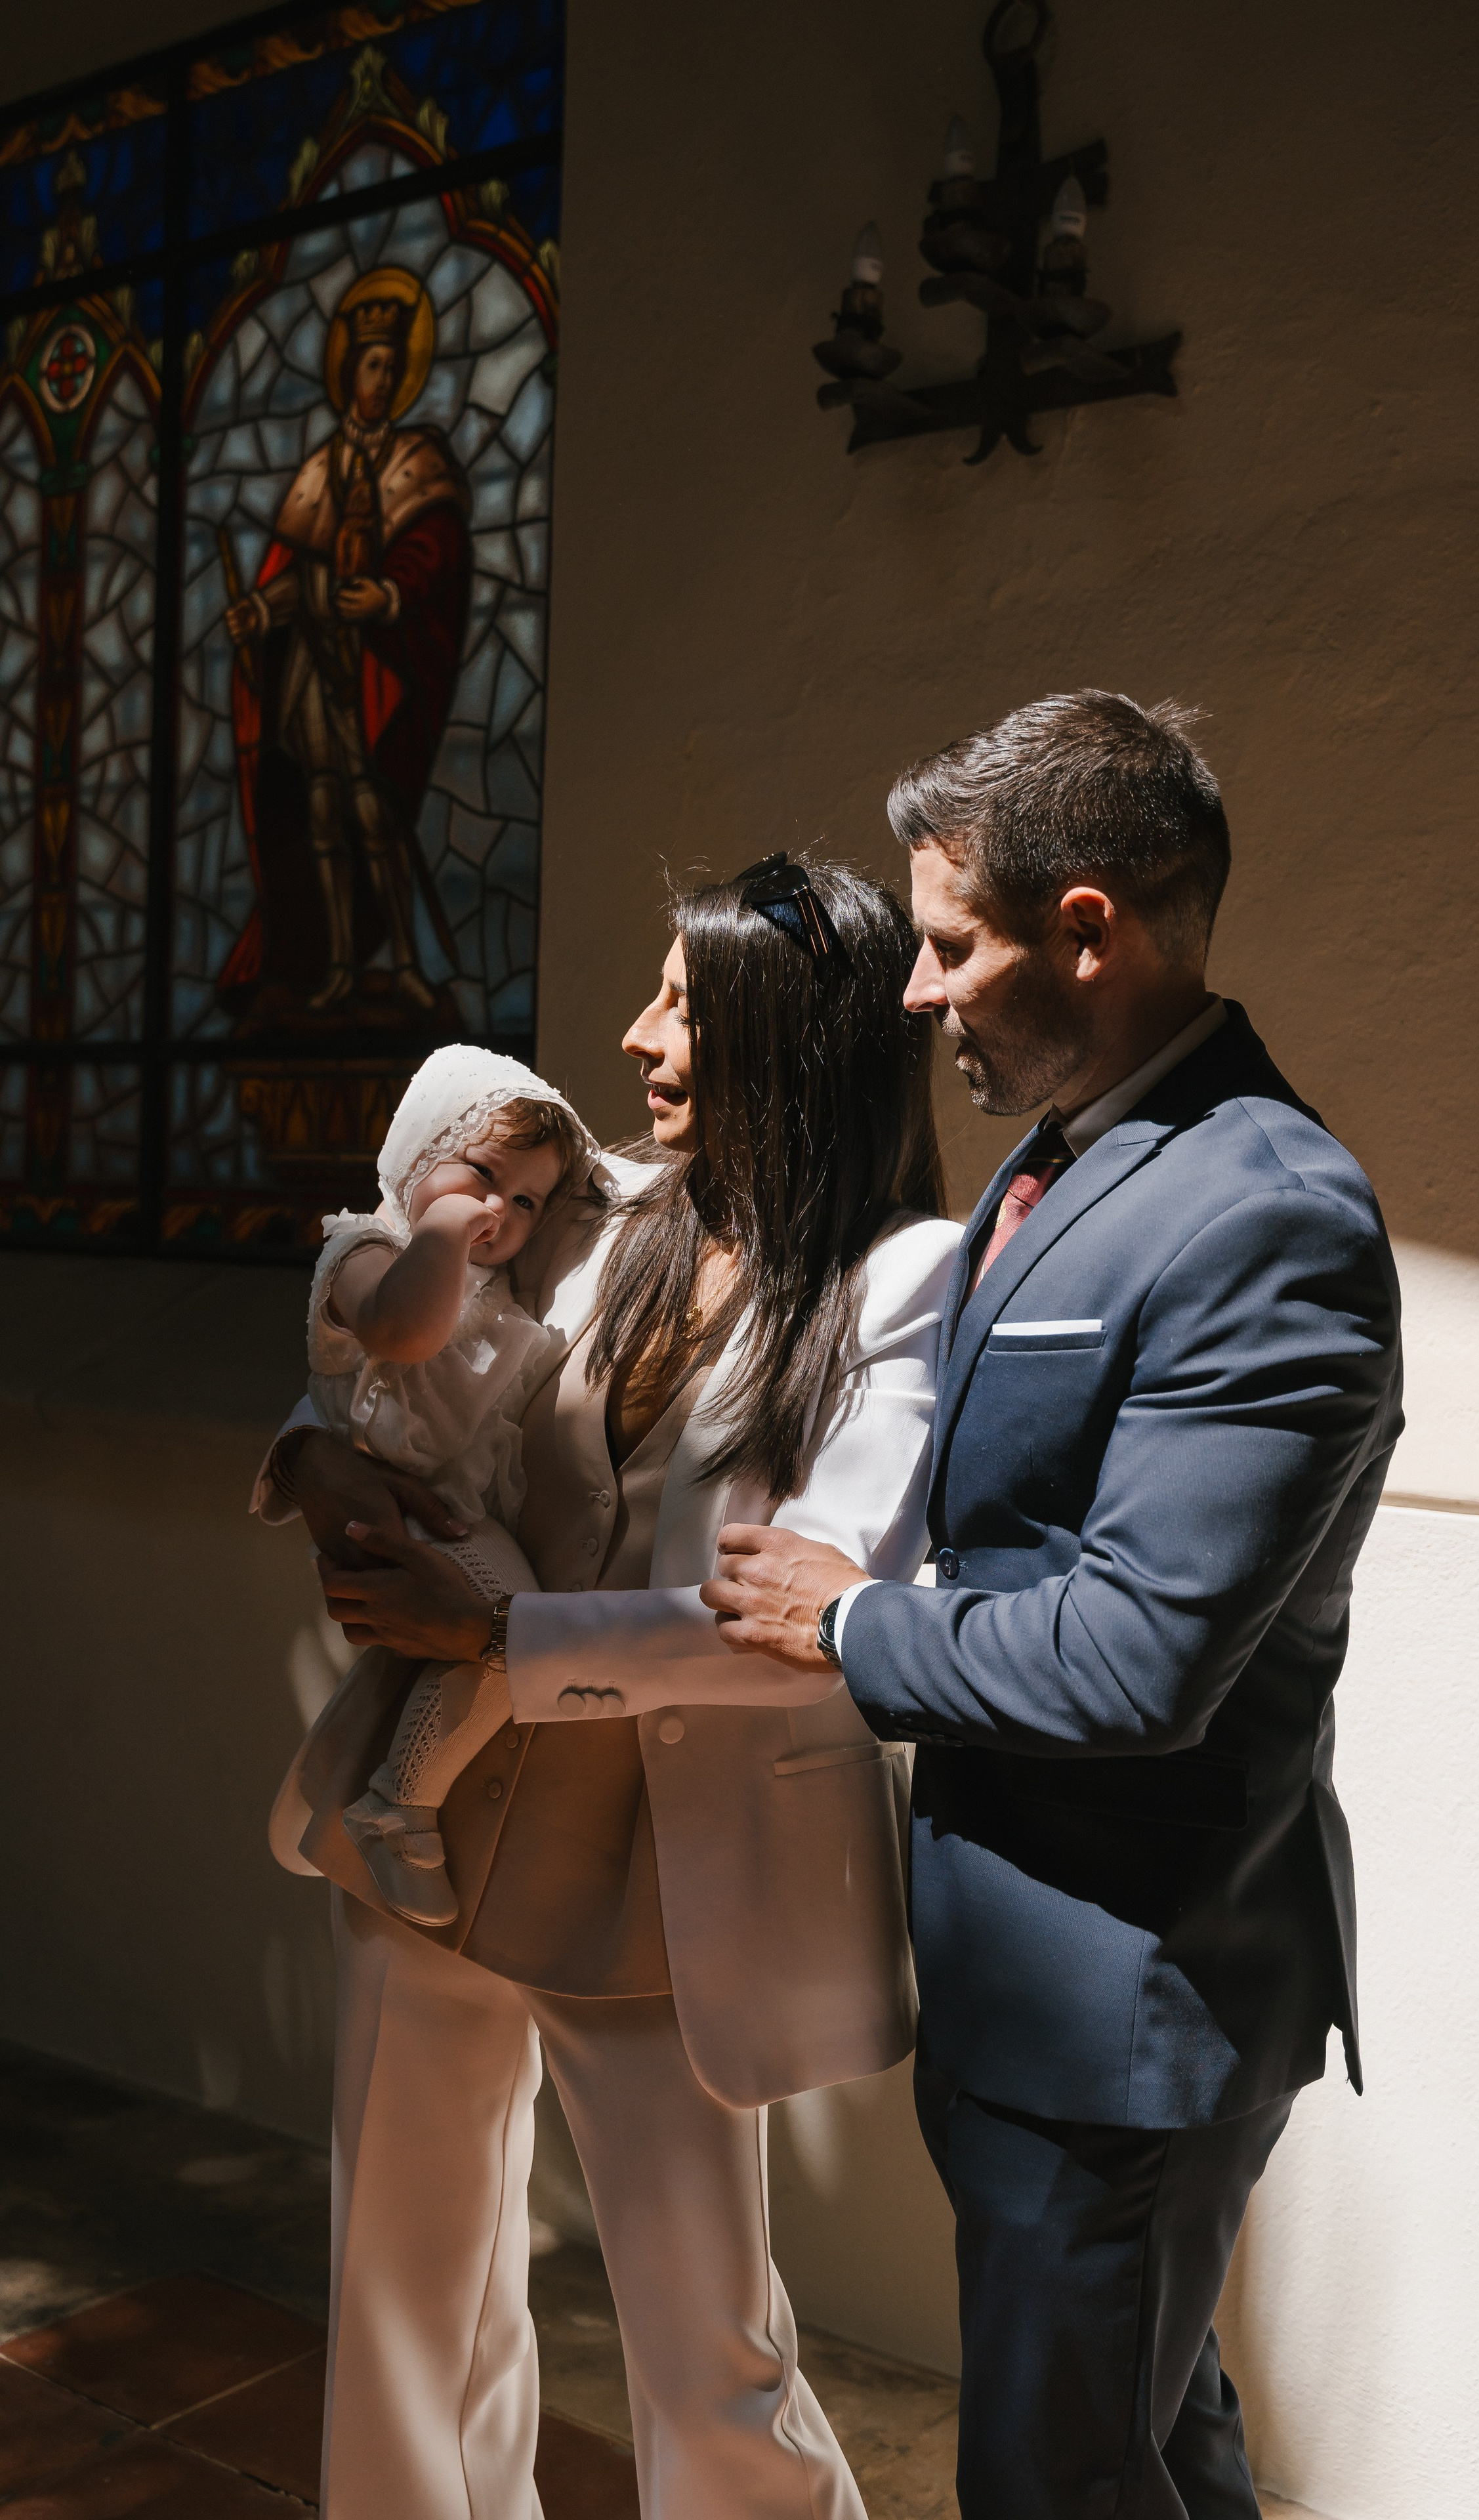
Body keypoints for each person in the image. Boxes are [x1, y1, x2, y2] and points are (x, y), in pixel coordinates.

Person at [701, 694, 1405, 2520]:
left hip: (1133, 1995)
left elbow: (1137, 1657)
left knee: (1049, 2483)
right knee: (1147, 2439)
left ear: (1086, 929)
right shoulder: (1066, 1146)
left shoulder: (1271, 1214)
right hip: (1022, 1967)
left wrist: (851, 1623)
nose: (921, 995)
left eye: (951, 946)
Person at [259, 855, 963, 2520]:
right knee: (400, 2301)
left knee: (708, 2348)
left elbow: (797, 1612)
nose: (638, 1035)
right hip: (430, 1824)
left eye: (683, 1006)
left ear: (787, 1041)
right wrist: (313, 1463)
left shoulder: (902, 1277)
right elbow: (394, 1340)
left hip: (670, 1872)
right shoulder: (604, 1207)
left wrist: (501, 1638)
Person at [303, 1043, 589, 1927]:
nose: (497, 1209)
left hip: (454, 1510)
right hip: (396, 1502)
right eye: (481, 1174)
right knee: (514, 1633)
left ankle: (404, 1798)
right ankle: (398, 1804)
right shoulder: (365, 1246)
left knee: (509, 1640)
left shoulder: (487, 1282)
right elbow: (403, 1332)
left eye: (527, 1201)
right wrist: (441, 1229)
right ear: (422, 1150)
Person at [220, 267, 469, 1020]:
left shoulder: (415, 459)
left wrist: (389, 595)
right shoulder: (320, 469)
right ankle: (335, 964)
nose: (384, 380)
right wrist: (260, 614)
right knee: (325, 809)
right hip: (312, 670)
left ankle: (401, 960)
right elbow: (292, 572)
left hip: (372, 672)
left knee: (373, 812)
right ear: (346, 373)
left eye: (394, 367)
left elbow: (436, 550)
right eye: (372, 366)